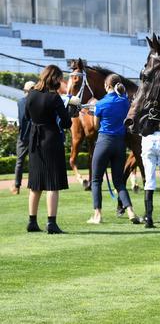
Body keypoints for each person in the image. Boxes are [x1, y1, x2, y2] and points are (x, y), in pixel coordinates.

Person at [24, 65, 76, 234]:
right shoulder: (54, 98)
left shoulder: (30, 95)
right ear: (54, 79)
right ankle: (51, 223)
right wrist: (70, 110)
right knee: (52, 184)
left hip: (35, 140)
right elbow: (67, 122)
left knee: (35, 183)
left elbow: (27, 116)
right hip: (51, 140)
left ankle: (32, 221)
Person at [88, 74, 140, 224]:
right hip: (120, 143)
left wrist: (95, 110)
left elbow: (96, 126)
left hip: (104, 141)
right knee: (119, 182)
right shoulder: (125, 101)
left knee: (96, 180)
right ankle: (130, 211)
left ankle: (97, 214)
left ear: (107, 86)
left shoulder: (101, 103)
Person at [11, 81, 36, 195]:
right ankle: (33, 185)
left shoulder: (20, 102)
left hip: (22, 136)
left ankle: (17, 186)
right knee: (34, 162)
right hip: (34, 135)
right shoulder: (35, 102)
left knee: (19, 162)